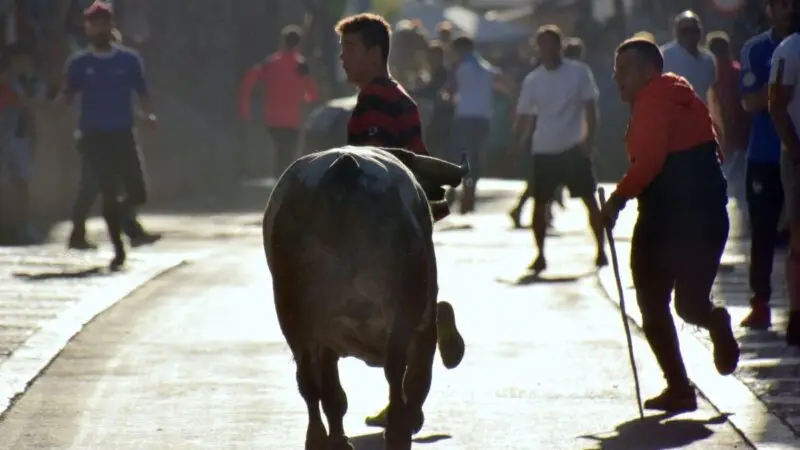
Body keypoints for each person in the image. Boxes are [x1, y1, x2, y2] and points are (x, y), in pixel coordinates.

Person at [335, 12, 465, 430]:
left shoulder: (379, 100)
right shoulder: (393, 95)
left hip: (386, 224)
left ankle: (406, 403)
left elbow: (375, 165)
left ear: (375, 53)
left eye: (350, 49)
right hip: (405, 217)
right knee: (412, 312)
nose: (343, 58)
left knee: (391, 314)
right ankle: (407, 401)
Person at [602, 37, 739, 412]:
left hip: (668, 219)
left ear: (649, 71)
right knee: (690, 304)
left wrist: (615, 202)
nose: (618, 80)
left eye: (624, 72)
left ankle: (679, 387)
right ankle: (714, 321)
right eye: (615, 73)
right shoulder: (683, 96)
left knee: (652, 302)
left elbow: (647, 163)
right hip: (709, 216)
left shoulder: (653, 100)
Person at [58, 1, 157, 270]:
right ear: (87, 28)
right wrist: (57, 102)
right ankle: (119, 249)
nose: (99, 28)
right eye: (93, 23)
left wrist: (148, 116)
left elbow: (143, 93)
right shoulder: (79, 63)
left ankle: (126, 220)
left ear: (111, 25)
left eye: (103, 22)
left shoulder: (129, 60)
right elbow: (66, 96)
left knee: (138, 191)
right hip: (93, 138)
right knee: (108, 191)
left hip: (123, 134)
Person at [513, 25, 607, 273]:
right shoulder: (533, 80)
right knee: (540, 203)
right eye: (542, 44)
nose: (547, 49)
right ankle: (540, 254)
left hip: (573, 147)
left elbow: (590, 108)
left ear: (560, 45)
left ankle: (601, 249)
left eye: (551, 44)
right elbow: (524, 116)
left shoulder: (578, 73)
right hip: (544, 148)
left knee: (589, 200)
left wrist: (589, 139)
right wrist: (517, 144)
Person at [738, 0, 796, 330]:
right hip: (765, 154)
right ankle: (760, 303)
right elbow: (750, 101)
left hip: (797, 154)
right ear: (769, 9)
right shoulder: (757, 48)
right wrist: (784, 89)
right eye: (781, 4)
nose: (789, 10)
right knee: (762, 232)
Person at [238, 25, 319, 177]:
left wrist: (245, 110)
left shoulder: (269, 63)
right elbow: (313, 93)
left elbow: (248, 82)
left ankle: (277, 182)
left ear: (282, 42)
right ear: (298, 43)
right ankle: (284, 183)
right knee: (289, 153)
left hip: (272, 118)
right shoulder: (301, 65)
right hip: (292, 119)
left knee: (278, 150)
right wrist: (305, 98)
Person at [767, 3, 800, 345]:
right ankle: (796, 313)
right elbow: (776, 106)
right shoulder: (790, 50)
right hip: (797, 159)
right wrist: (795, 150)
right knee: (798, 240)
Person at [447, 36, 497, 214]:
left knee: (459, 156)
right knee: (475, 156)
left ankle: (455, 193)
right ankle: (470, 194)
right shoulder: (485, 67)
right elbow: (504, 83)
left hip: (464, 116)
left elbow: (450, 90)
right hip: (483, 118)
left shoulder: (459, 67)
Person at [706, 31, 750, 225]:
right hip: (742, 135)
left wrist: (725, 136)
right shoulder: (737, 71)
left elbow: (724, 106)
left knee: (724, 185)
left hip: (725, 138)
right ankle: (747, 221)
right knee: (739, 187)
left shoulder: (714, 73)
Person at [661, 11, 724, 142]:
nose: (690, 35)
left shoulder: (708, 59)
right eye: (684, 31)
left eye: (694, 30)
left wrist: (719, 127)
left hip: (702, 129)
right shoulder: (664, 56)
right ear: (676, 32)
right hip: (673, 131)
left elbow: (713, 96)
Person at [0, 43, 40, 245]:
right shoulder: (6, 81)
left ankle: (23, 226)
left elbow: (28, 111)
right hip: (4, 137)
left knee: (21, 182)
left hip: (19, 137)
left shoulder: (26, 82)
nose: (25, 64)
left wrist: (33, 137)